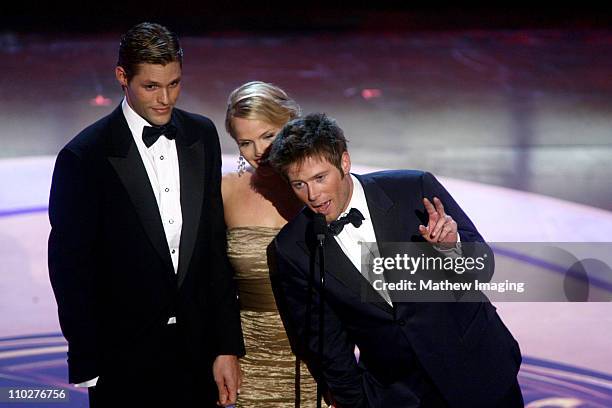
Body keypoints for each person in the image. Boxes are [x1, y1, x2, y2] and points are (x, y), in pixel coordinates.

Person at [48, 22, 244, 407]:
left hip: (198, 352)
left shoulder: (200, 135)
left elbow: (212, 249)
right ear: (122, 77)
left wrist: (226, 345)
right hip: (122, 358)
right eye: (151, 86)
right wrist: (86, 359)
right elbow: (71, 268)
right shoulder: (84, 157)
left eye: (174, 84)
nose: (165, 99)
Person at [267, 113, 524, 407]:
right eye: (299, 184)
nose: (312, 195)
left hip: (478, 370)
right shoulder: (294, 247)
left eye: (319, 178)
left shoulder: (414, 189)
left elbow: (483, 268)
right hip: (398, 395)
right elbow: (325, 343)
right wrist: (357, 401)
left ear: (344, 162)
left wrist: (452, 248)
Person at [222, 81, 317, 407]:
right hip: (250, 358)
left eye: (268, 136)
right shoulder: (223, 193)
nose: (259, 152)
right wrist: (223, 350)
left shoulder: (321, 187)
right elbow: (210, 283)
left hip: (322, 356)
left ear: (291, 123)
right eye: (245, 142)